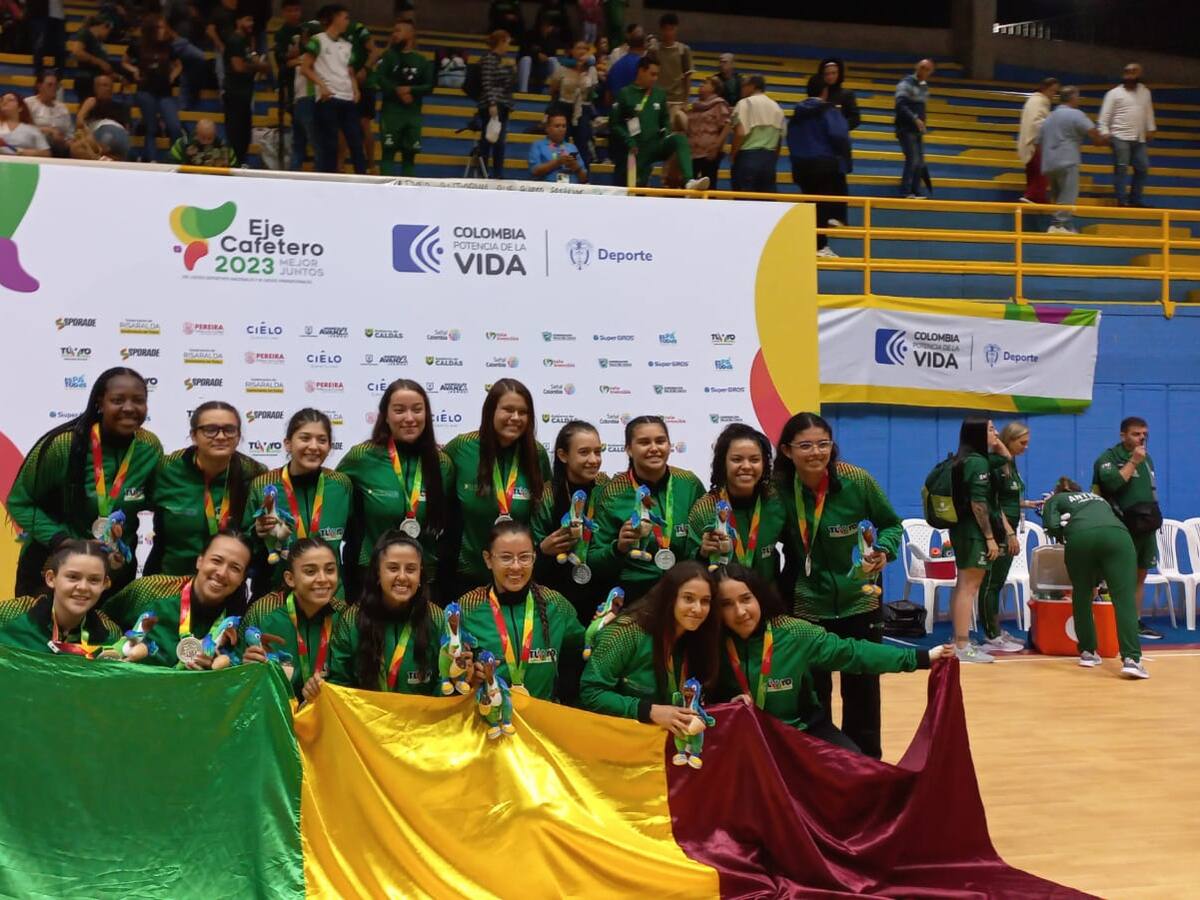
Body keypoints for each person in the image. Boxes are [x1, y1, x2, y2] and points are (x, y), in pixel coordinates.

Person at [774, 412, 904, 758]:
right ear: (787, 450)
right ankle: (821, 766)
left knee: (864, 692)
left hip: (860, 600)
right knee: (813, 695)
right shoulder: (777, 489)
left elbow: (892, 524)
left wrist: (883, 550)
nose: (816, 452)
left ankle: (867, 766)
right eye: (805, 446)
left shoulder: (856, 480)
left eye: (823, 444)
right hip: (806, 604)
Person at [714, 565, 948, 751]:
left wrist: (921, 657)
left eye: (746, 599)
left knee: (853, 767)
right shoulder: (711, 644)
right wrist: (723, 708)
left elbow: (853, 653)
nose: (740, 612)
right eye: (726, 604)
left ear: (759, 597)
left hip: (800, 730)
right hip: (740, 737)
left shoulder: (794, 633)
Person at [7, 368, 160, 597]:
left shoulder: (149, 448)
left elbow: (160, 499)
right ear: (100, 403)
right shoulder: (64, 445)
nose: (129, 408)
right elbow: (20, 503)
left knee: (107, 623)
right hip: (54, 569)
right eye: (118, 400)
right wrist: (63, 540)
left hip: (113, 575)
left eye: (138, 400)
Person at [336, 380, 452, 602]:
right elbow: (332, 495)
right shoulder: (362, 457)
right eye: (399, 410)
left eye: (417, 410)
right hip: (369, 579)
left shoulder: (443, 465)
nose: (409, 418)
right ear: (385, 416)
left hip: (423, 581)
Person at [580, 561, 720, 741]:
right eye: (688, 598)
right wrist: (649, 711)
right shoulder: (625, 632)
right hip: (613, 740)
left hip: (666, 743)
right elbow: (591, 692)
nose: (698, 609)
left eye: (705, 601)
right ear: (670, 597)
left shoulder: (701, 637)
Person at [455, 522, 585, 701]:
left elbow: (581, 648)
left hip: (542, 716)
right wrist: (468, 679)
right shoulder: (466, 609)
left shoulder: (556, 605)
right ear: (488, 559)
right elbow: (448, 679)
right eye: (506, 557)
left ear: (534, 558)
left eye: (524, 557)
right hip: (488, 715)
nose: (516, 566)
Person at [444, 380, 551, 598]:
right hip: (466, 576)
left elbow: (543, 512)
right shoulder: (461, 448)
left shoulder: (536, 454)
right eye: (508, 410)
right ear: (490, 411)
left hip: (517, 577)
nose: (516, 417)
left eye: (523, 412)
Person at [590, 416, 707, 604]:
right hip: (632, 597)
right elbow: (594, 561)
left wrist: (704, 551)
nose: (654, 448)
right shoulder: (612, 493)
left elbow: (700, 543)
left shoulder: (689, 484)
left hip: (685, 592)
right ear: (629, 449)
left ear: (669, 445)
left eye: (660, 441)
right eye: (644, 442)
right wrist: (618, 547)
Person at [105, 530, 261, 668]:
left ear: (242, 578)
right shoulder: (151, 589)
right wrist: (121, 646)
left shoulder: (238, 625)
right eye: (216, 560)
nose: (222, 573)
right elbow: (101, 619)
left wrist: (212, 672)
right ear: (200, 561)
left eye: (235, 568)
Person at [326, 531, 457, 695]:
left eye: (411, 569)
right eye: (393, 568)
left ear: (420, 574)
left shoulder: (437, 618)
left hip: (422, 712)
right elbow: (339, 684)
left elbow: (444, 683)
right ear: (378, 573)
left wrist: (459, 675)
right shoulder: (352, 620)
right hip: (366, 711)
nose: (402, 577)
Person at [144, 402, 266, 577]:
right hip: (169, 581)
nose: (221, 436)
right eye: (210, 429)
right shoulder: (166, 470)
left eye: (229, 430)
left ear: (238, 436)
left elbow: (255, 534)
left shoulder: (255, 474)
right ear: (194, 435)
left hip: (224, 582)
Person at [1041, 479, 1148, 678]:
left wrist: (1066, 532)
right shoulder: (1097, 498)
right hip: (1117, 537)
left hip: (1080, 538)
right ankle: (1131, 659)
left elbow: (1051, 525)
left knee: (1082, 594)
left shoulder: (1055, 500)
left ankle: (1087, 653)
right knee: (1123, 599)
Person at [243, 410, 353, 599]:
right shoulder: (264, 485)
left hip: (329, 596)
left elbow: (355, 538)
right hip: (276, 595)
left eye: (322, 440)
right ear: (288, 444)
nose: (314, 446)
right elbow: (244, 544)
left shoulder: (341, 485)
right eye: (305, 438)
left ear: (329, 446)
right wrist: (257, 533)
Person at [240, 538, 345, 699]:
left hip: (326, 710)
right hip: (275, 709)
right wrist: (246, 667)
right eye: (310, 572)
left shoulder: (344, 616)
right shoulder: (262, 612)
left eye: (330, 570)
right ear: (290, 579)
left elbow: (351, 680)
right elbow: (236, 671)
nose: (323, 579)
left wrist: (327, 689)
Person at [1092, 416, 1164, 640]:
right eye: (1136, 434)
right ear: (1123, 435)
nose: (1142, 438)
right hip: (1121, 526)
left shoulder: (1147, 458)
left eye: (1144, 434)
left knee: (1140, 574)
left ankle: (1134, 622)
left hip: (1146, 525)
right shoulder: (1108, 458)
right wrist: (1133, 461)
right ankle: (1112, 621)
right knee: (1118, 576)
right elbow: (1112, 484)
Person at [531, 420, 610, 622]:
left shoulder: (607, 488)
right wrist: (542, 550)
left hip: (602, 595)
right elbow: (529, 558)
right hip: (555, 598)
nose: (594, 460)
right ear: (563, 455)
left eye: (598, 452)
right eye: (584, 452)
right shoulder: (546, 495)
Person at [685, 424, 785, 580]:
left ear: (764, 464)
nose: (746, 466)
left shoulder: (775, 501)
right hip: (721, 592)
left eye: (754, 460)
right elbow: (689, 567)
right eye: (737, 459)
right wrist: (702, 553)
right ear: (723, 463)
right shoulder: (705, 508)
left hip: (767, 592)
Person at [946, 417, 1005, 664]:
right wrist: (990, 537)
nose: (996, 433)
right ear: (978, 434)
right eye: (991, 429)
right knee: (969, 587)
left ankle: (958, 640)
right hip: (973, 531)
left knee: (963, 585)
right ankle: (963, 646)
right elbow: (978, 503)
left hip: (962, 529)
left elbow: (1005, 458)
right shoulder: (978, 462)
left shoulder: (964, 459)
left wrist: (997, 443)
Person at [977, 423, 1040, 653]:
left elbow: (1008, 497)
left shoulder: (1010, 463)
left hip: (1008, 527)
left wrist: (1027, 504)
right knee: (991, 582)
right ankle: (990, 635)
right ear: (1009, 440)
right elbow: (994, 503)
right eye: (1022, 443)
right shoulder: (995, 465)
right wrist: (1009, 533)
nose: (1026, 447)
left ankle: (995, 629)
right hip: (998, 530)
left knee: (998, 582)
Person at [0, 541, 122, 656]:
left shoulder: (110, 637)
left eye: (94, 580)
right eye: (73, 577)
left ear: (105, 583)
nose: (83, 587)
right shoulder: (10, 615)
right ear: (51, 578)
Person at [610, 56, 709, 190]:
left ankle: (689, 181)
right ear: (641, 71)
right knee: (635, 187)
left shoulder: (659, 94)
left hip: (655, 145)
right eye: (652, 74)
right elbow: (615, 124)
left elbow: (664, 119)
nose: (655, 78)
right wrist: (628, 141)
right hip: (636, 148)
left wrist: (666, 131)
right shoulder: (625, 93)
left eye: (657, 75)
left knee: (680, 139)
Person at [787, 83, 851, 257]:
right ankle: (820, 245)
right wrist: (843, 158)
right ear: (824, 91)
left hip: (800, 165)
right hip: (824, 164)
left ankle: (810, 243)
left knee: (810, 204)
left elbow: (790, 137)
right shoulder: (828, 110)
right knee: (822, 206)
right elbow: (840, 135)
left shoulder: (797, 113)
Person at [301, 4, 365, 174]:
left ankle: (362, 178)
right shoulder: (318, 40)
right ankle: (329, 177)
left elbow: (350, 71)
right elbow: (305, 67)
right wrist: (321, 85)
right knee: (330, 143)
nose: (347, 22)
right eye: (345, 18)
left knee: (356, 142)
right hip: (328, 97)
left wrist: (356, 89)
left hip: (347, 98)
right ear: (335, 18)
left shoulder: (347, 45)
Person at [373, 18, 432, 178]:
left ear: (410, 34)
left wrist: (411, 90)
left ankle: (407, 189)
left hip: (412, 115)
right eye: (393, 31)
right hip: (391, 113)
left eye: (398, 30)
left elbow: (429, 86)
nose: (394, 34)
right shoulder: (388, 57)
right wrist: (397, 91)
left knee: (409, 155)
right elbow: (379, 78)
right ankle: (385, 189)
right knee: (388, 153)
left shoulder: (422, 61)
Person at [1042, 86, 1104, 235]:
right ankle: (1059, 225)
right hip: (1067, 160)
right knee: (1068, 194)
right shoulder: (1076, 114)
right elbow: (1092, 131)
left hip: (1049, 161)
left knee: (1058, 195)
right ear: (1073, 98)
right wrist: (1103, 140)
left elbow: (1039, 140)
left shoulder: (1050, 117)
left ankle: (1064, 225)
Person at [806, 57, 859, 226]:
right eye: (827, 73)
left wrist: (840, 127)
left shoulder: (847, 95)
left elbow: (856, 118)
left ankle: (840, 217)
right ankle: (821, 217)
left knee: (838, 180)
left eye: (834, 73)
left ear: (839, 74)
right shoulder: (817, 94)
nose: (830, 76)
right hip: (819, 146)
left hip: (838, 145)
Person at [125, 13, 182, 163]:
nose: (163, 30)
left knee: (174, 126)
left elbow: (178, 65)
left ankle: (173, 159)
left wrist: (172, 76)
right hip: (145, 89)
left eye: (163, 27)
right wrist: (134, 70)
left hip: (165, 91)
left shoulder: (169, 46)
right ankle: (152, 160)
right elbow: (125, 61)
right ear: (152, 29)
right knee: (151, 127)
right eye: (160, 27)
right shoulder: (138, 45)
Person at [1099, 63, 1156, 208]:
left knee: (1142, 167)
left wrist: (1151, 128)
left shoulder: (1145, 92)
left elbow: (1148, 111)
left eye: (1134, 72)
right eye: (1127, 72)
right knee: (1121, 168)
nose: (1130, 74)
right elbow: (1105, 115)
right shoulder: (1114, 93)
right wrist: (1104, 132)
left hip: (1139, 137)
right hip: (1119, 136)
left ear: (1140, 74)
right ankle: (1122, 200)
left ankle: (1135, 199)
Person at [221, 7, 267, 166]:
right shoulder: (234, 40)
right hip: (235, 94)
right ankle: (235, 165)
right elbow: (238, 66)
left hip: (245, 94)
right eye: (247, 20)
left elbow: (251, 61)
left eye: (252, 20)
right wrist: (258, 67)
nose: (251, 23)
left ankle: (240, 163)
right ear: (238, 21)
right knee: (236, 135)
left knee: (245, 134)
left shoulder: (245, 41)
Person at [730, 76, 785, 193]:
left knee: (744, 199)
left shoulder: (745, 103)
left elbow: (740, 133)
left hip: (747, 158)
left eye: (744, 85)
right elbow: (779, 139)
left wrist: (733, 155)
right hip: (769, 159)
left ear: (752, 86)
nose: (741, 89)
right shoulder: (776, 107)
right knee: (766, 200)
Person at [547, 40, 598, 166]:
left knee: (582, 144)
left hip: (583, 109)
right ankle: (558, 170)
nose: (582, 51)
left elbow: (592, 92)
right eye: (579, 48)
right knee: (560, 143)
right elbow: (553, 89)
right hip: (563, 107)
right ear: (572, 51)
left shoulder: (592, 70)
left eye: (585, 49)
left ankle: (582, 173)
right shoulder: (562, 68)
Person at [477, 29, 515, 179]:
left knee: (500, 141)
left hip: (504, 103)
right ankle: (484, 172)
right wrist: (492, 103)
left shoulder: (503, 60)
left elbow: (509, 84)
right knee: (489, 139)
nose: (508, 46)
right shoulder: (488, 59)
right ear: (501, 42)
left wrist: (512, 70)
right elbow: (487, 82)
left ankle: (498, 173)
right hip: (492, 104)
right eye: (507, 42)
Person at [894, 58, 934, 198]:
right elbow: (900, 105)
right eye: (922, 67)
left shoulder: (924, 86)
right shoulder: (906, 83)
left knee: (920, 162)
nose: (924, 71)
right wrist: (915, 118)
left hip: (917, 130)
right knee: (913, 159)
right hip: (906, 128)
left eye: (927, 69)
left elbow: (921, 106)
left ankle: (915, 191)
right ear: (916, 67)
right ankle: (905, 191)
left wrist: (922, 123)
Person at [685, 74, 731, 190]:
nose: (701, 85)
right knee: (689, 185)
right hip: (692, 152)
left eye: (705, 83)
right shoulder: (694, 106)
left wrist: (717, 147)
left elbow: (726, 126)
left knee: (709, 185)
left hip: (709, 152)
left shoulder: (719, 104)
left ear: (714, 88)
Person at [1017, 77, 1058, 204]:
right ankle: (1033, 196)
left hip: (1031, 140)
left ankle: (1034, 196)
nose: (1054, 94)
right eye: (1052, 91)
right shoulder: (1040, 101)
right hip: (1036, 142)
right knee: (1041, 172)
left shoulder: (1033, 100)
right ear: (1045, 88)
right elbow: (1038, 123)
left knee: (1034, 173)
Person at [654, 12, 691, 134]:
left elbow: (687, 77)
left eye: (672, 29)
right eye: (666, 29)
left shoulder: (683, 50)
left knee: (673, 132)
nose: (668, 33)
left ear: (676, 29)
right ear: (661, 30)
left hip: (676, 100)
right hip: (657, 98)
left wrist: (685, 101)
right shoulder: (654, 50)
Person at [528, 110, 588, 183]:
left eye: (564, 126)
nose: (561, 129)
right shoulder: (538, 145)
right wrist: (558, 162)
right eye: (557, 126)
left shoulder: (572, 147)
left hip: (571, 187)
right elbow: (534, 171)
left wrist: (577, 168)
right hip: (548, 187)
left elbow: (584, 179)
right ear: (547, 128)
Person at [67, 15, 116, 100]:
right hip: (87, 79)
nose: (108, 34)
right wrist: (100, 62)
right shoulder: (85, 34)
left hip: (95, 80)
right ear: (103, 26)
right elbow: (77, 52)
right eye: (108, 31)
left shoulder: (98, 41)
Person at [23, 73, 72, 156]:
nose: (53, 88)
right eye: (50, 85)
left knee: (79, 145)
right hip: (36, 142)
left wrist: (68, 141)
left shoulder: (62, 108)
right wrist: (49, 131)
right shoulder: (29, 103)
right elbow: (23, 128)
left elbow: (69, 133)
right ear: (39, 86)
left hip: (61, 144)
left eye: (55, 85)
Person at [272, 0, 304, 114]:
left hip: (305, 75)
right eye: (289, 11)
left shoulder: (306, 30)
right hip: (289, 76)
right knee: (292, 109)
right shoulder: (280, 34)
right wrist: (288, 55)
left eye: (296, 10)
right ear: (283, 13)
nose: (293, 14)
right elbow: (279, 57)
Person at [0, 92, 51, 157]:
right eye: (2, 100)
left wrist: (21, 151)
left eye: (10, 100)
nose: (4, 102)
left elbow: (46, 153)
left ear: (20, 108)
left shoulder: (32, 130)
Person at [168, 118, 236, 166]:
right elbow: (170, 165)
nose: (206, 142)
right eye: (203, 138)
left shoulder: (224, 147)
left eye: (209, 138)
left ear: (215, 134)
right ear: (196, 133)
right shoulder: (182, 144)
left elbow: (235, 169)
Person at [517, 18, 560, 95]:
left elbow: (552, 54)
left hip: (543, 67)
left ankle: (556, 92)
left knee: (553, 60)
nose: (545, 28)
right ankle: (523, 91)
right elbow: (522, 52)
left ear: (551, 28)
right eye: (543, 26)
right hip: (530, 67)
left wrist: (545, 58)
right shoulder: (529, 35)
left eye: (548, 26)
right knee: (526, 59)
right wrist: (536, 55)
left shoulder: (552, 39)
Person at [27, 0, 67, 82]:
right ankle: (39, 76)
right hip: (40, 14)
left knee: (60, 47)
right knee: (39, 45)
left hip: (58, 15)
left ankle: (58, 75)